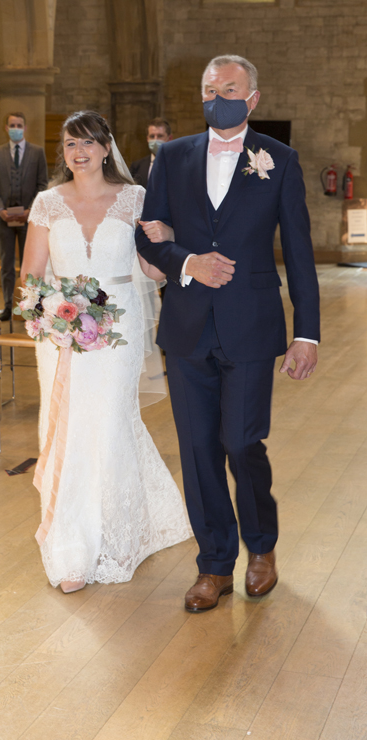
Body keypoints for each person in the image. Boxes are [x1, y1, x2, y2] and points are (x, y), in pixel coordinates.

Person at [136, 55, 320, 613]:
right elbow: (147, 239)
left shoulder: (279, 161)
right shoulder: (170, 156)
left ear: (253, 97)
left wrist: (306, 333)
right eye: (209, 88)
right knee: (196, 451)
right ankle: (213, 563)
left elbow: (302, 252)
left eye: (230, 88)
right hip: (188, 325)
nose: (218, 96)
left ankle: (261, 547)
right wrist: (189, 262)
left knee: (242, 444)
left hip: (251, 325)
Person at [21, 110, 191, 593]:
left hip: (119, 327)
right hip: (62, 334)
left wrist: (172, 241)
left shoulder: (134, 198)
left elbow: (153, 270)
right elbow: (31, 276)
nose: (79, 152)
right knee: (73, 430)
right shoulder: (47, 204)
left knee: (112, 422)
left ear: (105, 147)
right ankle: (73, 546)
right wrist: (53, 311)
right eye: (70, 144)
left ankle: (117, 538)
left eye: (88, 143)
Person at [0, 112, 48, 321]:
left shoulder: (37, 152)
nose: (15, 128)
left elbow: (43, 185)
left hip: (28, 218)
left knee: (30, 264)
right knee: (6, 264)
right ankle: (7, 305)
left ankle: (31, 306)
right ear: (6, 128)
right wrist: (0, 209)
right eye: (12, 124)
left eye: (19, 125)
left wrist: (31, 209)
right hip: (4, 218)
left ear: (25, 127)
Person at [130, 118, 173, 189]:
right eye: (152, 136)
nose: (155, 140)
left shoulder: (179, 164)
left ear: (170, 138)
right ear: (147, 139)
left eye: (160, 136)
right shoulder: (137, 167)